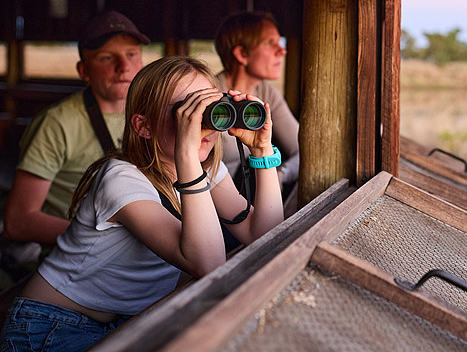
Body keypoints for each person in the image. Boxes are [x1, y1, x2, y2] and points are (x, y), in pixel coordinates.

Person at [0, 56, 284, 352]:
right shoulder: (120, 179)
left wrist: (262, 150)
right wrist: (187, 156)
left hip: (129, 322)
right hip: (51, 326)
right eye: (186, 110)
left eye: (209, 107)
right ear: (143, 126)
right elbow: (209, 264)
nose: (199, 121)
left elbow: (267, 234)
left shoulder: (205, 170)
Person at [4, 10, 149, 246]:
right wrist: (106, 241)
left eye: (131, 54)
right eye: (106, 57)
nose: (123, 67)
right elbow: (19, 221)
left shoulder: (151, 114)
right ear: (83, 71)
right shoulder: (56, 123)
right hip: (82, 261)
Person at [214, 11, 299, 197]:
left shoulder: (265, 92)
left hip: (241, 197)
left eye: (279, 42)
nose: (282, 51)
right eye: (270, 43)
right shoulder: (212, 97)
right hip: (209, 200)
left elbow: (304, 149)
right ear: (242, 54)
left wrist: (280, 174)